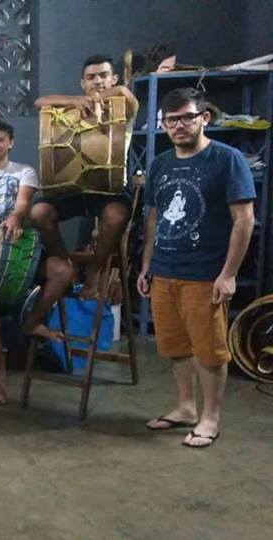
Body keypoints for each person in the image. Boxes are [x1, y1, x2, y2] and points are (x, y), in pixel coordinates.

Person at [136, 88, 254, 448]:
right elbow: (153, 218)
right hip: (164, 271)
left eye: (187, 117)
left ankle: (210, 418)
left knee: (210, 352)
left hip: (205, 274)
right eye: (171, 120)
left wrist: (228, 274)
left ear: (204, 118)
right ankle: (186, 408)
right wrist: (146, 265)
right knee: (175, 347)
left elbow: (244, 219)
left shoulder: (227, 159)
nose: (179, 125)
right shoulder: (160, 164)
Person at [0, 120, 74, 405]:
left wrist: (17, 217)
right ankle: (0, 387)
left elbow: (23, 202)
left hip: (23, 249)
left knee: (63, 270)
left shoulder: (24, 171)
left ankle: (32, 322)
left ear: (10, 142)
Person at [31, 54, 140, 299]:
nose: (97, 81)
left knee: (116, 215)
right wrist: (76, 101)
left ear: (113, 78)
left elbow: (125, 92)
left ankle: (94, 271)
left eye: (103, 75)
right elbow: (40, 101)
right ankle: (65, 265)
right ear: (82, 82)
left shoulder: (123, 108)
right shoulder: (71, 108)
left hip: (109, 188)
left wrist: (97, 98)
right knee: (38, 213)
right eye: (91, 77)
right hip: (73, 188)